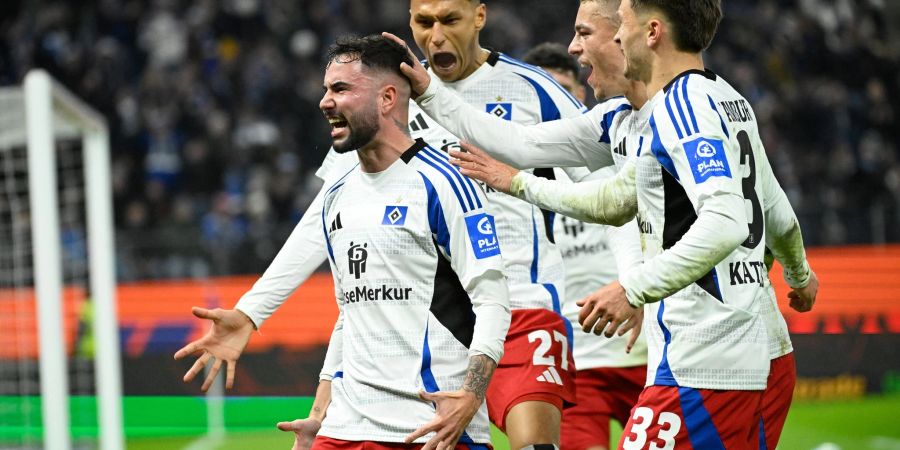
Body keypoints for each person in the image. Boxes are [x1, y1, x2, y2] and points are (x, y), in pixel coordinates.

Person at [392, 0, 818, 446]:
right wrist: (799, 273)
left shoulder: (681, 109)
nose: (577, 46)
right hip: (764, 351)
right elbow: (776, 212)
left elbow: (727, 220)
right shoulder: (712, 102)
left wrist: (632, 288)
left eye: (600, 31)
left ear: (648, 33)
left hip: (708, 356)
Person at [177, 1, 584, 449]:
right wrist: (253, 311)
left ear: (480, 17)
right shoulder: (379, 103)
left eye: (449, 20)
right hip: (428, 314)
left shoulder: (533, 89)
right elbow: (324, 222)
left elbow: (607, 183)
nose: (436, 35)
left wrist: (633, 282)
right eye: (423, 23)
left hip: (521, 307)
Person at [523, 41, 648, 450]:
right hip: (576, 361)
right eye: (538, 93)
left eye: (559, 90)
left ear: (581, 93)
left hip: (646, 351)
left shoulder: (623, 150)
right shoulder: (509, 177)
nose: (549, 104)